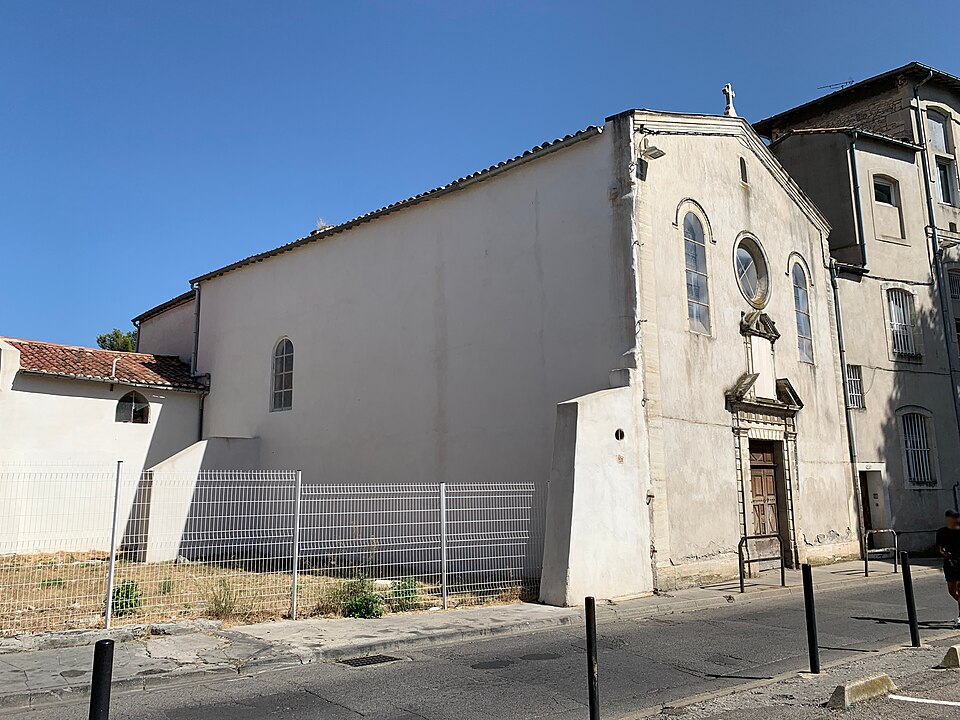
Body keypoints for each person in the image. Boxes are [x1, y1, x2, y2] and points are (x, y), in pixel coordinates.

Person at [936, 509, 960, 628]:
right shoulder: (942, 532)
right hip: (949, 562)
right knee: (952, 591)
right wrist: (943, 552)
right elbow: (940, 548)